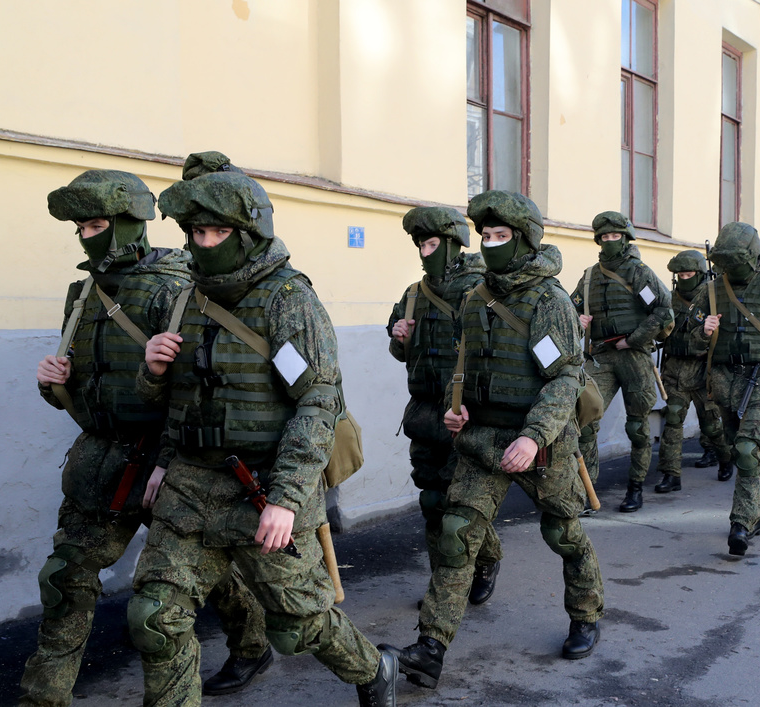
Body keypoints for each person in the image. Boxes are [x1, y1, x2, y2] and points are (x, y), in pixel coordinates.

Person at [130, 170, 396, 706]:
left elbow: (317, 403)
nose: (203, 244)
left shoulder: (288, 301)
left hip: (259, 487)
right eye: (195, 233)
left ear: (247, 233)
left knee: (299, 623)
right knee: (154, 616)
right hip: (188, 486)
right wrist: (152, 373)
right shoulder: (181, 299)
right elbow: (180, 402)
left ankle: (374, 669)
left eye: (216, 233)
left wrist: (287, 500)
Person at [23, 170, 270, 706]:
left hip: (171, 461)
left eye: (98, 224)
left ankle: (252, 644)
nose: (89, 236)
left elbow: (198, 390)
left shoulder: (176, 285)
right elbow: (86, 386)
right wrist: (54, 386)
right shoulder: (84, 293)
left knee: (198, 576)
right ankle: (43, 698)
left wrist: (170, 462)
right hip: (103, 462)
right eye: (81, 227)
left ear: (130, 223)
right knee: (65, 577)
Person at [381, 190, 605, 691]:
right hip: (482, 438)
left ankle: (586, 614)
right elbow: (464, 359)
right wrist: (458, 407)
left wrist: (533, 436)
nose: (491, 243)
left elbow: (564, 380)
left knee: (563, 534)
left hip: (539, 442)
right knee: (456, 532)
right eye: (485, 235)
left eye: (501, 236)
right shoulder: (475, 294)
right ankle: (430, 648)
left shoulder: (549, 301)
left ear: (524, 241)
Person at [387, 206, 503, 605]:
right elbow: (400, 352)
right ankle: (444, 577)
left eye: (432, 243)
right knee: (432, 500)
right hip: (423, 414)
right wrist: (400, 335)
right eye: (421, 244)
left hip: (465, 415)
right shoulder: (413, 294)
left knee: (461, 504)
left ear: (453, 242)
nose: (424, 251)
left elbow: (499, 352)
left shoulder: (482, 287)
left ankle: (482, 563)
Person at [686, 222, 760, 555]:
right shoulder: (710, 291)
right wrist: (703, 331)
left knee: (747, 451)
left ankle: (741, 523)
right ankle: (757, 513)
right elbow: (686, 337)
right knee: (735, 449)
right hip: (723, 382)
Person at [571, 211, 673, 512]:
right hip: (601, 355)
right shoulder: (589, 277)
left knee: (638, 426)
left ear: (626, 238)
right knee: (585, 417)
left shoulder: (638, 273)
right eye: (604, 237)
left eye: (615, 236)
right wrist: (578, 319)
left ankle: (635, 487)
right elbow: (567, 308)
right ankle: (585, 492)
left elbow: (663, 311)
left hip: (634, 356)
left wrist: (634, 339)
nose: (609, 241)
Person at [654, 249, 734, 493]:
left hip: (704, 371)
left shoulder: (713, 299)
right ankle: (671, 474)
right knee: (672, 422)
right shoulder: (668, 300)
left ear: (699, 274)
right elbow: (658, 331)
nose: (684, 278)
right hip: (675, 369)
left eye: (689, 274)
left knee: (711, 425)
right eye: (680, 274)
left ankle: (724, 458)